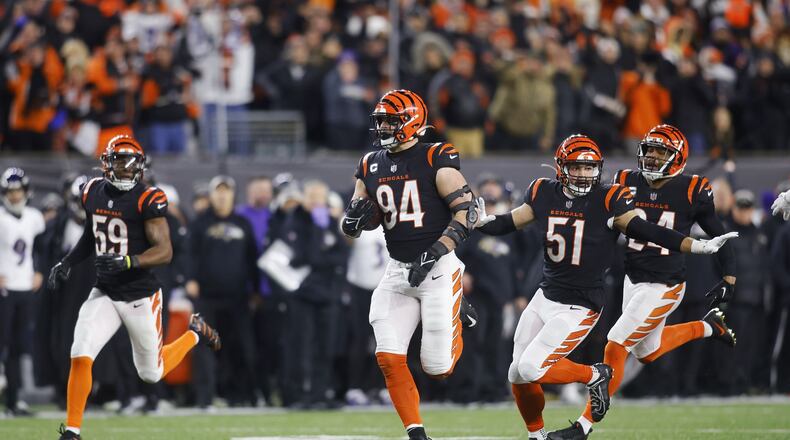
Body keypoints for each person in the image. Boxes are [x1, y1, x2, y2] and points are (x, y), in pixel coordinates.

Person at [474, 134, 737, 440]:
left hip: (583, 301)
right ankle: (538, 436)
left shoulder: (609, 198)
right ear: (561, 167)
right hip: (549, 293)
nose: (583, 174)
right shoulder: (543, 191)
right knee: (516, 373)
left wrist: (695, 246)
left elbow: (647, 230)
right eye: (576, 167)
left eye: (589, 168)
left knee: (536, 367)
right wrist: (483, 222)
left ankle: (595, 378)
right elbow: (510, 221)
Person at [554, 124, 738, 439]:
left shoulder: (692, 189)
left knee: (617, 342)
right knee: (647, 351)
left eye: (661, 151)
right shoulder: (625, 181)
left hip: (665, 285)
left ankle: (584, 426)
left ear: (677, 156)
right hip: (633, 278)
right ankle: (709, 327)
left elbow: (718, 234)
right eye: (650, 149)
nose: (653, 156)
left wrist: (729, 279)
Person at [48, 135, 221, 440]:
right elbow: (92, 233)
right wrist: (68, 261)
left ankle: (195, 334)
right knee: (81, 350)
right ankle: (73, 431)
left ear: (140, 168)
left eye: (130, 165)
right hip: (104, 290)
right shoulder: (91, 192)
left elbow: (165, 251)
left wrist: (129, 261)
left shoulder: (147, 198)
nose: (125, 170)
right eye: (119, 163)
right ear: (106, 164)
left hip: (140, 294)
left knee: (151, 373)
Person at [341, 89, 478, 440]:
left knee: (438, 367)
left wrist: (434, 252)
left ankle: (456, 304)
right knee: (388, 356)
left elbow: (468, 212)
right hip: (397, 269)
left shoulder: (435, 156)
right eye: (381, 120)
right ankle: (416, 433)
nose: (384, 126)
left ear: (413, 122)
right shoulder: (370, 163)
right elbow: (365, 221)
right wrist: (353, 222)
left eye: (392, 120)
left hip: (437, 267)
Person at [186, 176, 259, 407]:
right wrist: (189, 279)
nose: (222, 195)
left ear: (232, 195)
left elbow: (252, 259)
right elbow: (188, 254)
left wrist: (256, 290)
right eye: (218, 191)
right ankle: (204, 397)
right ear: (211, 195)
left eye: (226, 191)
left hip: (237, 297)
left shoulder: (243, 223)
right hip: (206, 296)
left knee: (240, 347)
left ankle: (239, 396)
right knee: (204, 347)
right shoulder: (200, 223)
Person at [0, 168, 45, 416]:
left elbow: (40, 249)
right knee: (3, 345)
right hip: (5, 289)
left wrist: (39, 270)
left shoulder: (34, 217)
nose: (15, 196)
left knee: (19, 347)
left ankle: (15, 400)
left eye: (18, 191)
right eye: (11, 191)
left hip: (25, 287)